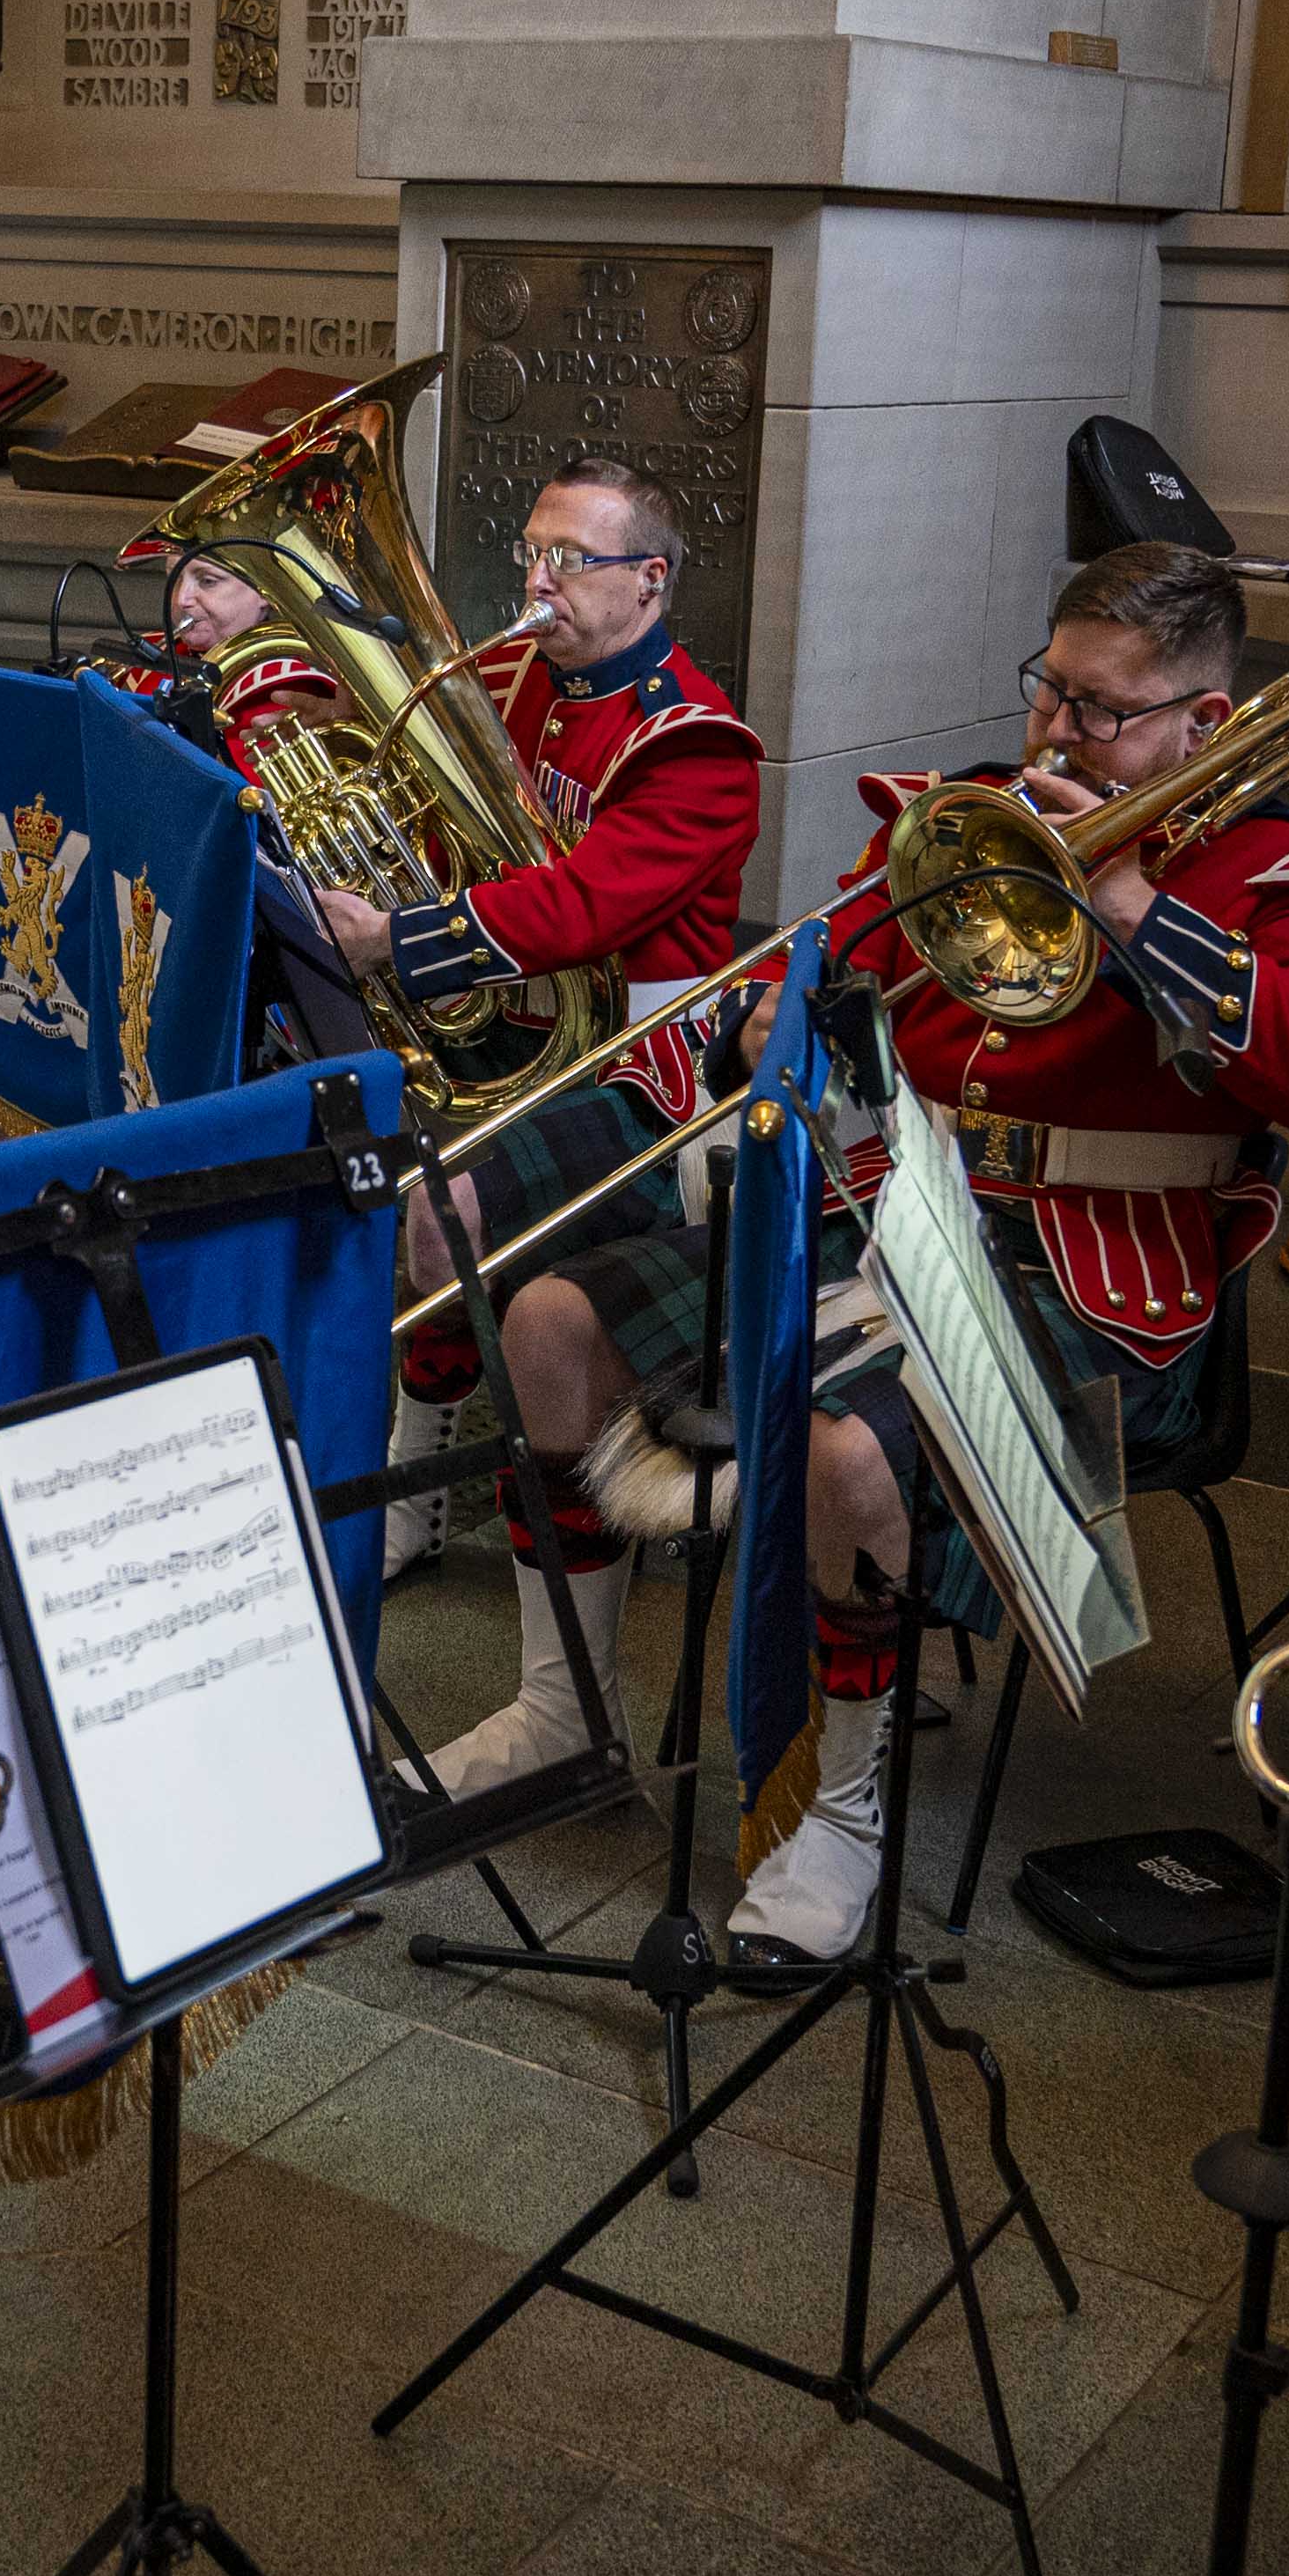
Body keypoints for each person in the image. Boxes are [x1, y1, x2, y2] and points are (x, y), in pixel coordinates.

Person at [582, 540, 1289, 1970]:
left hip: (1103, 1280)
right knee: (553, 1312)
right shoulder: (963, 818)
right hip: (890, 1212)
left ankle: (839, 1805)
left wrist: (1138, 902)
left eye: (1101, 708)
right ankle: (560, 1701)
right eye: (1049, 688)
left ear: (1203, 722)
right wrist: (773, 1017)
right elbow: (816, 973)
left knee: (843, 1438)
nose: (1056, 731)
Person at [342, 458, 763, 1785]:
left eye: (572, 559)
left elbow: (584, 907)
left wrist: (403, 936)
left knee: (443, 1211)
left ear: (651, 580)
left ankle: (459, 1530)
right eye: (531, 552)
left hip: (647, 1067)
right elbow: (469, 838)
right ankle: (421, 1480)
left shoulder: (699, 743)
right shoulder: (524, 686)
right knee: (395, 1178)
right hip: (526, 1028)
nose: (538, 581)